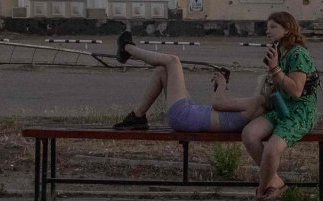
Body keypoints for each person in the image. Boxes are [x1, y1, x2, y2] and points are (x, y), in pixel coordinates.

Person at [239, 11, 319, 201]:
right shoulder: (280, 51)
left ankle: (262, 192)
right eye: (267, 27)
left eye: (273, 26)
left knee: (272, 149)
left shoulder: (298, 54)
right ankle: (276, 182)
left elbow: (296, 90)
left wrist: (275, 70)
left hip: (298, 112)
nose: (268, 31)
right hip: (279, 109)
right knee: (249, 134)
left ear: (288, 29)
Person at [110, 31, 261, 134]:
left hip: (184, 116)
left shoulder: (257, 102)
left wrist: (221, 85)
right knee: (161, 71)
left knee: (173, 61)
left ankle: (127, 48)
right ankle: (137, 116)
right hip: (189, 113)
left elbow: (218, 104)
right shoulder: (259, 108)